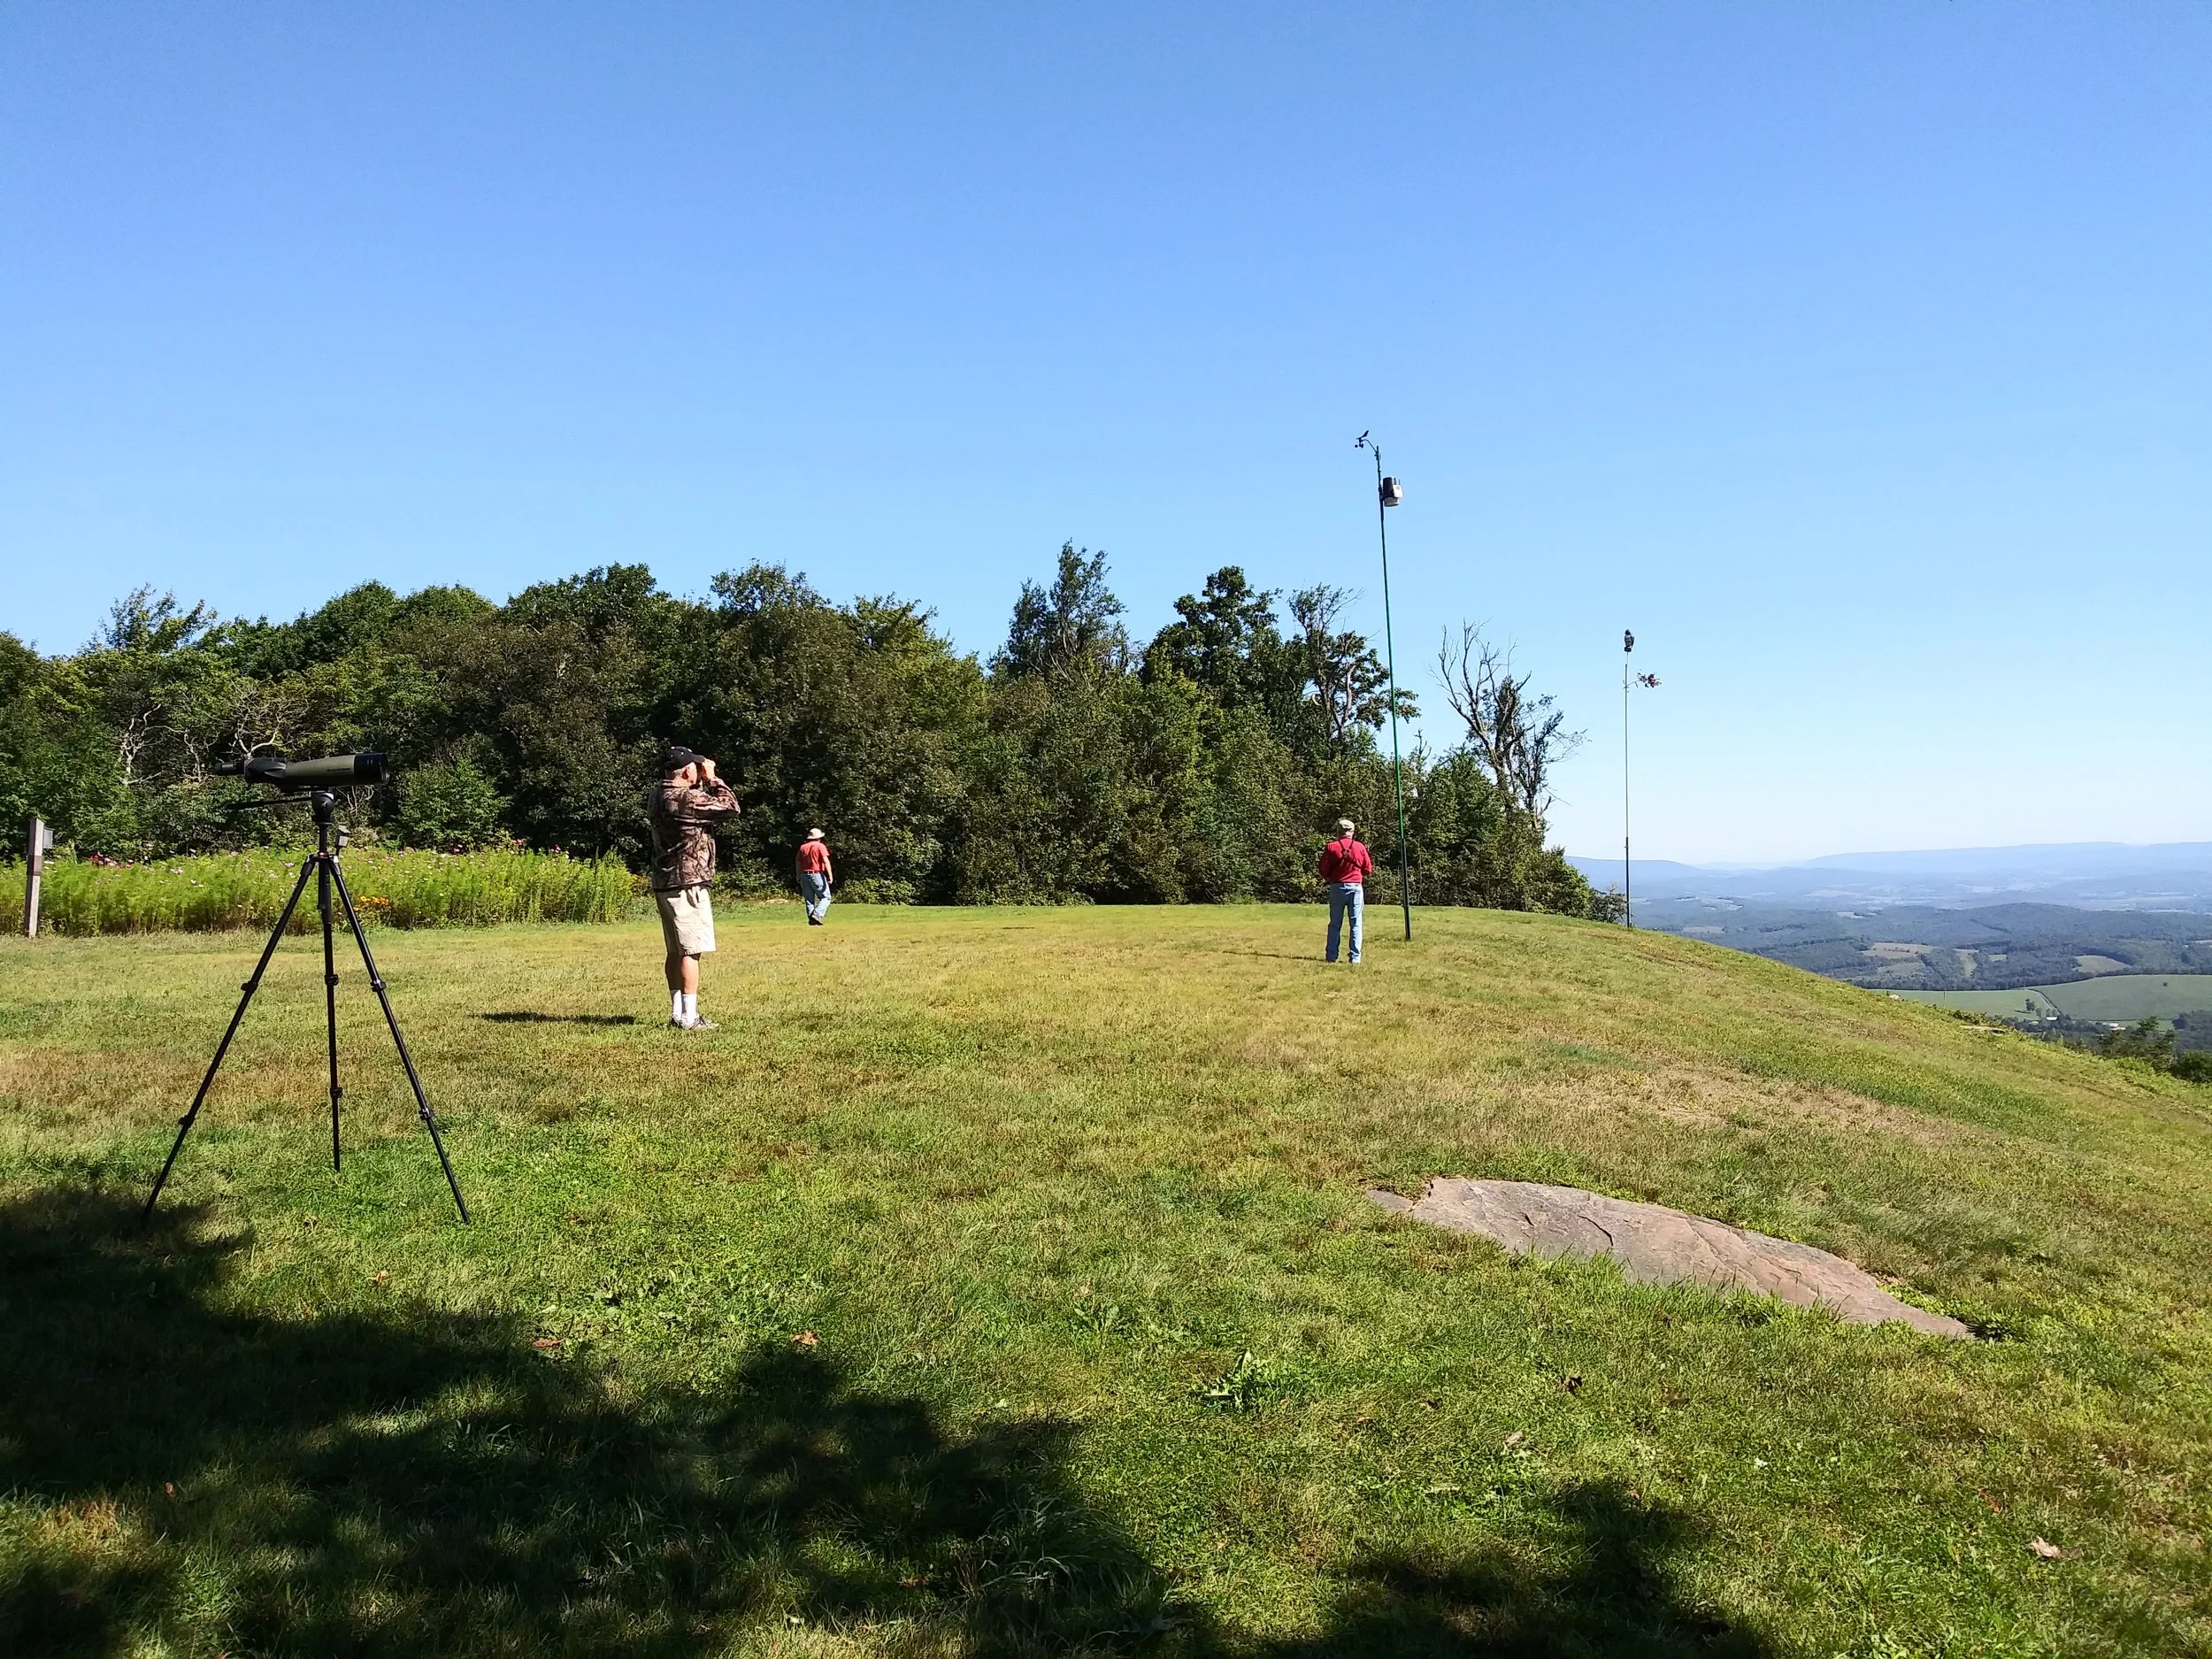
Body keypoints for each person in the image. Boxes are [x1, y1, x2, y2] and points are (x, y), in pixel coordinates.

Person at [649, 745, 740, 1030]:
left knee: (675, 950)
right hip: (688, 882)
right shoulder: (686, 798)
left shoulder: (657, 796)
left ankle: (678, 1013)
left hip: (665, 879)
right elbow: (730, 807)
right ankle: (689, 1017)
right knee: (691, 950)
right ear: (688, 771)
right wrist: (713, 778)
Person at [1318, 818, 1374, 964]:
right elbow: (1368, 869)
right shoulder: (1360, 847)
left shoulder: (1331, 847)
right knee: (1356, 923)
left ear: (1338, 831)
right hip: (1356, 887)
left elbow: (1323, 870)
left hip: (1337, 887)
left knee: (1335, 923)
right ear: (1352, 832)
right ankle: (1355, 958)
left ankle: (1331, 956)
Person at [795, 828, 834, 925]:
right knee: (826, 897)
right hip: (816, 874)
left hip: (804, 875)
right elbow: (826, 861)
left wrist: (798, 874)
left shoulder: (803, 847)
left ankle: (812, 920)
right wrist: (830, 875)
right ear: (819, 838)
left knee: (809, 900)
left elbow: (798, 862)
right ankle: (817, 915)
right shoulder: (820, 846)